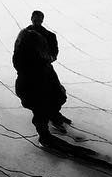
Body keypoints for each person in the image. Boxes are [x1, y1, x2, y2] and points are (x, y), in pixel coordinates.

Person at [12, 10, 72, 146]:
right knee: (39, 105)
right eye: (35, 17)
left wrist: (46, 59)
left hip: (44, 72)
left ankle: (55, 116)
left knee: (58, 95)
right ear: (32, 18)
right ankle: (44, 134)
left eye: (40, 18)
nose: (37, 20)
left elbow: (53, 54)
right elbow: (17, 59)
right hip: (31, 77)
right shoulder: (24, 36)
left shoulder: (49, 36)